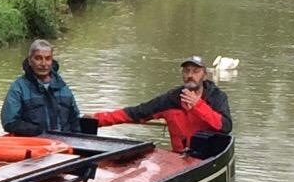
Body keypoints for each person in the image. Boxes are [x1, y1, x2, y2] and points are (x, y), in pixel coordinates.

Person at [86, 54, 232, 159]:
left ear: (204, 76)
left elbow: (225, 127)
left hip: (208, 159)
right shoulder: (171, 99)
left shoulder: (217, 97)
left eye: (195, 71)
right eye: (186, 71)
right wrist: (98, 119)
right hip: (179, 161)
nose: (190, 75)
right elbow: (137, 113)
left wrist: (198, 105)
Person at [0, 38, 84, 136]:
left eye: (47, 58)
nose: (44, 64)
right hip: (34, 146)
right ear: (30, 61)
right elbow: (9, 122)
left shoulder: (63, 87)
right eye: (38, 58)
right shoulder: (18, 88)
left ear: (52, 61)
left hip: (63, 146)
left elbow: (74, 121)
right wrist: (38, 131)